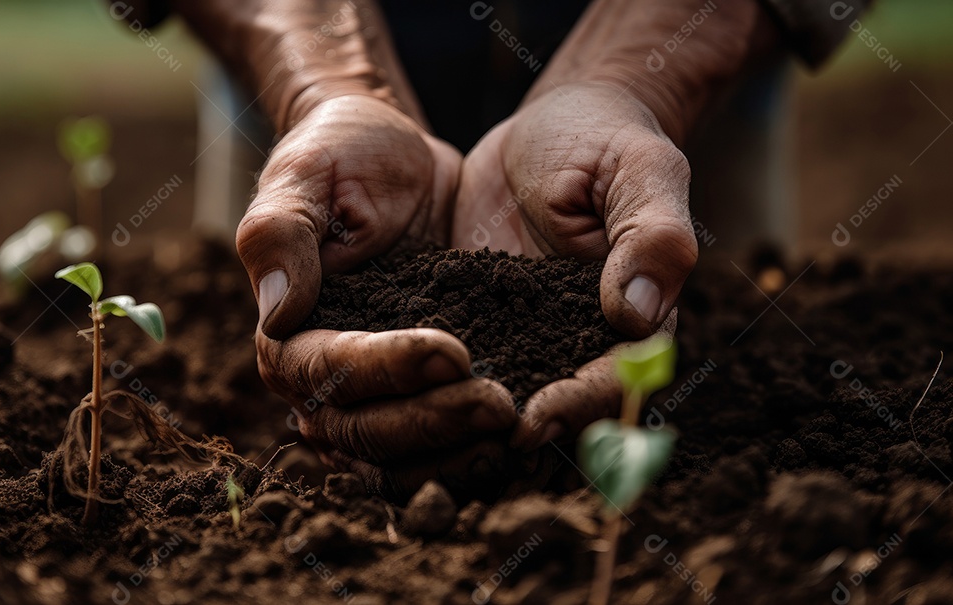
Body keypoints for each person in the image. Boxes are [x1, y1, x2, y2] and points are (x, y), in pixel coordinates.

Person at [115, 0, 867, 498]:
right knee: (279, 334)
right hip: (295, 77)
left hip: (687, 77)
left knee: (706, 349)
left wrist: (634, 81)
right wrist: (328, 87)